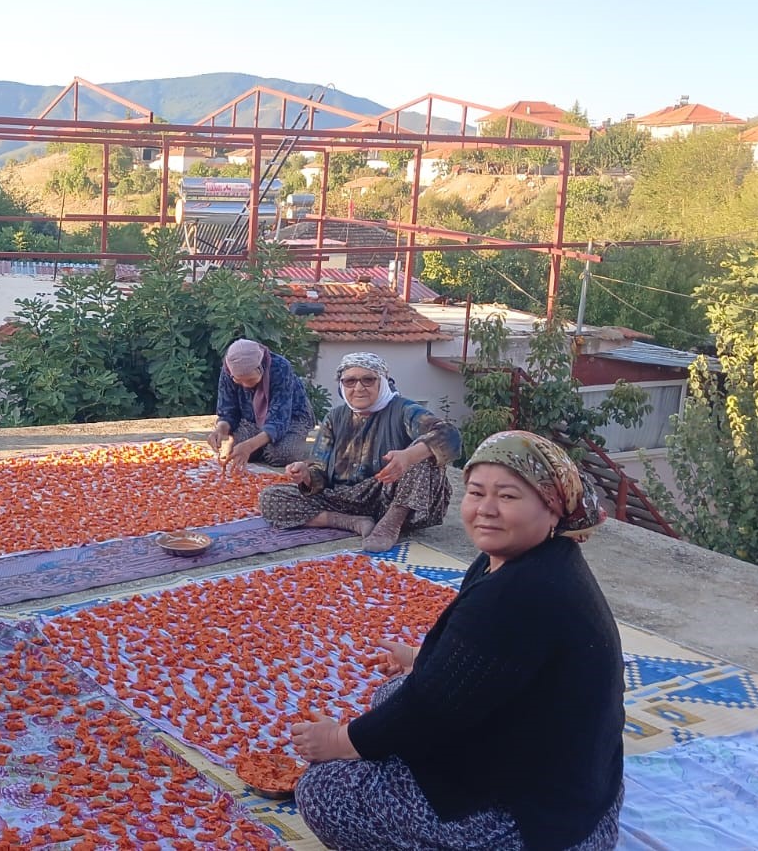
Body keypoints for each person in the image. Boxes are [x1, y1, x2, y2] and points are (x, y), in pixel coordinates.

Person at [289, 430, 624, 851]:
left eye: (508, 497)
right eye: (476, 492)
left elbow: (429, 708)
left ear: (552, 508)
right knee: (392, 693)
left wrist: (340, 740)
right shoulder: (526, 560)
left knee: (324, 791)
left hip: (539, 824)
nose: (486, 510)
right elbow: (488, 661)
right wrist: (418, 658)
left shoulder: (521, 594)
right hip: (580, 786)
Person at [259, 352, 460, 552]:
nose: (358, 388)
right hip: (345, 499)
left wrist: (408, 456)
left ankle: (391, 523)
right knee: (270, 498)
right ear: (341, 385)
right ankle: (351, 522)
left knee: (425, 455)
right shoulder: (334, 417)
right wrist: (306, 475)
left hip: (389, 495)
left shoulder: (403, 410)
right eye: (350, 381)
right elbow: (319, 470)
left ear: (382, 382)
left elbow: (449, 434)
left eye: (368, 380)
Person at [208, 337, 315, 469]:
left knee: (281, 455)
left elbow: (279, 420)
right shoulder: (229, 370)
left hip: (291, 418)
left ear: (261, 368)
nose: (245, 386)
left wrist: (250, 445)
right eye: (239, 381)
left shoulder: (281, 368)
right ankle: (262, 443)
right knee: (237, 451)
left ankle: (296, 445)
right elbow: (228, 411)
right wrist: (221, 429)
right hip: (251, 419)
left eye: (250, 379)